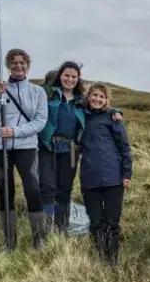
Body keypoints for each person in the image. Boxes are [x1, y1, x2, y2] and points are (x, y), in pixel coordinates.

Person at [36, 61, 123, 233]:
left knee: (65, 191)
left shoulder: (81, 101)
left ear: (78, 79)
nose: (70, 79)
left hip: (71, 151)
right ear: (60, 76)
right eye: (66, 75)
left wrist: (116, 111)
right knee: (47, 189)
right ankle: (44, 231)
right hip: (48, 148)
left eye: (73, 76)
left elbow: (101, 106)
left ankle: (61, 230)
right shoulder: (48, 94)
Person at [0, 48, 49, 251]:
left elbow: (40, 121)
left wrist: (15, 131)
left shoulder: (37, 92)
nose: (18, 66)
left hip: (26, 145)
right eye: (14, 62)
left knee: (33, 188)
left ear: (28, 65)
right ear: (8, 66)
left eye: (22, 62)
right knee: (5, 188)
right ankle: (9, 242)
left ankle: (39, 239)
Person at [79, 83, 132, 266]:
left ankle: (112, 262)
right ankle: (101, 259)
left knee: (112, 223)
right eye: (94, 95)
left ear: (106, 100)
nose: (97, 99)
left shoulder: (113, 119)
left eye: (102, 97)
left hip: (113, 178)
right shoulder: (81, 116)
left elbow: (124, 147)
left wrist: (127, 174)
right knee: (95, 222)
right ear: (88, 96)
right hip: (90, 178)